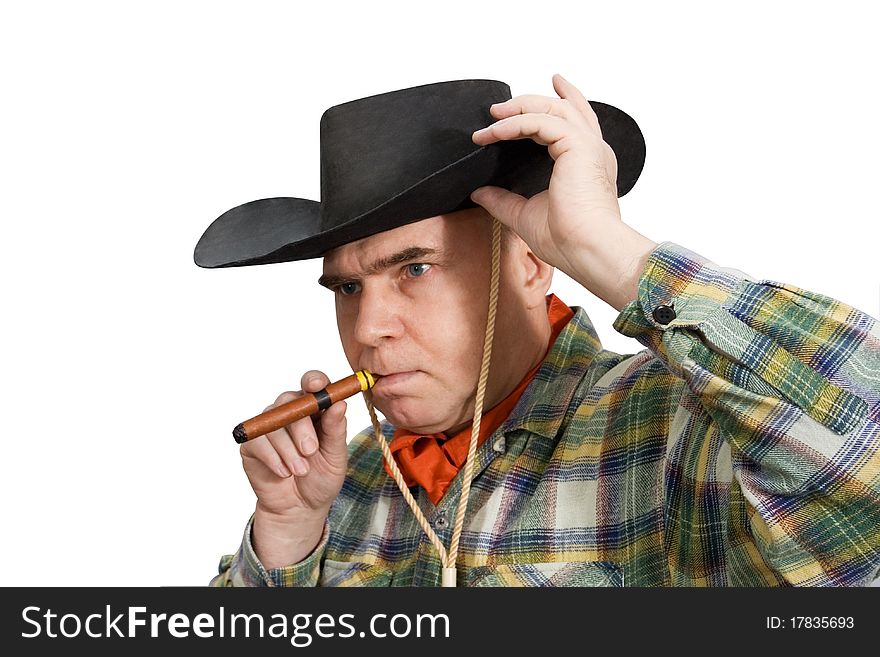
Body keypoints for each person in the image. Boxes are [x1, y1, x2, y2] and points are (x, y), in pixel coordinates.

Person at [195, 75, 880, 587]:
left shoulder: (673, 423)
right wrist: (286, 534)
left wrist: (608, 249)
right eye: (348, 287)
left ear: (530, 260)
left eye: (415, 268)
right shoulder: (342, 480)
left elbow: (863, 465)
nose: (368, 328)